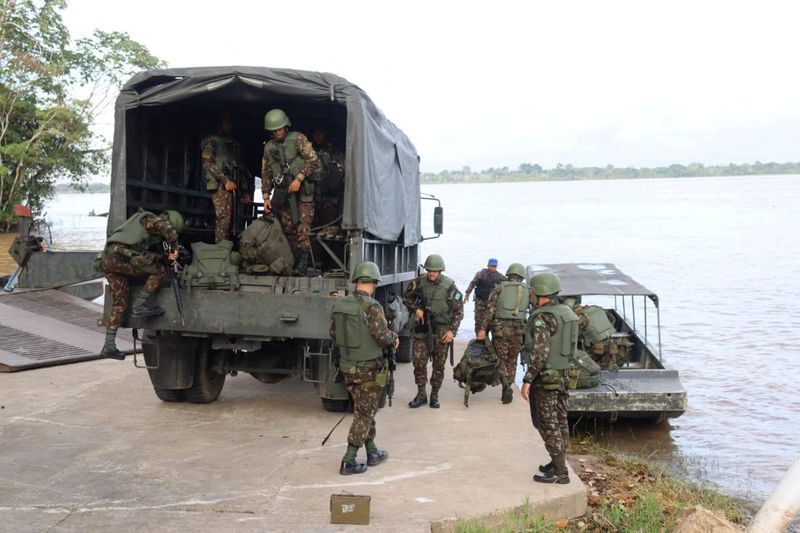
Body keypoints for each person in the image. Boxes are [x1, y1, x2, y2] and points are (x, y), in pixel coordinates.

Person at [330, 261, 399, 475]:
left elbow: (333, 334)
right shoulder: (372, 307)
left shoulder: (340, 305)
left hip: (347, 367)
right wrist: (394, 338)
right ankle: (349, 460)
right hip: (368, 370)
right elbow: (382, 337)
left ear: (357, 281)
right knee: (364, 413)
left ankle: (373, 451)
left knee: (364, 409)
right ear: (374, 283)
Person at [100, 209, 184, 359]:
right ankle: (140, 305)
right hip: (121, 258)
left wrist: (156, 255)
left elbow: (139, 251)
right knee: (159, 270)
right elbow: (165, 227)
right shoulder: (151, 220)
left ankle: (109, 345)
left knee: (120, 303)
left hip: (109, 260)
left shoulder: (135, 224)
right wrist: (175, 247)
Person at [520, 272, 578, 484]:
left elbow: (540, 353)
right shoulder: (567, 312)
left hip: (545, 378)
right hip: (563, 376)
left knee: (547, 423)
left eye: (533, 292)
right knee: (560, 419)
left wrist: (527, 379)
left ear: (539, 293)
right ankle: (557, 461)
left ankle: (560, 473)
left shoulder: (542, 317)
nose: (531, 295)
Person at [261, 109, 319, 275]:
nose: (278, 133)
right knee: (288, 229)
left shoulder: (298, 138)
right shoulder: (269, 147)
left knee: (303, 228)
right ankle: (291, 261)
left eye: (280, 129)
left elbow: (313, 160)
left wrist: (299, 178)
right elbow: (266, 173)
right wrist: (266, 196)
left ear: (286, 127)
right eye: (274, 130)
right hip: (283, 193)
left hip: (303, 194)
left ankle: (302, 263)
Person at [402, 254, 464, 409]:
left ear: (440, 271)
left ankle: (434, 395)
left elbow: (459, 311)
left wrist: (452, 332)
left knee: (438, 366)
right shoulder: (418, 283)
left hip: (442, 332)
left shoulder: (450, 286)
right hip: (422, 331)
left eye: (435, 271)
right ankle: (421, 394)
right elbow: (406, 297)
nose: (431, 273)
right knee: (418, 363)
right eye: (429, 270)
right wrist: (416, 309)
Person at [476, 262, 529, 404]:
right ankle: (509, 385)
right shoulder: (528, 290)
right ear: (521, 276)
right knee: (513, 359)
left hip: (500, 329)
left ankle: (505, 385)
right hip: (519, 330)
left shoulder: (499, 288)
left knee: (500, 358)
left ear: (509, 275)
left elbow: (489, 310)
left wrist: (482, 329)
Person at [201, 114, 250, 243]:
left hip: (234, 186)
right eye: (225, 123)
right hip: (221, 186)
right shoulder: (210, 141)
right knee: (223, 220)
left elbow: (240, 166)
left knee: (232, 221)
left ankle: (227, 249)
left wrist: (245, 190)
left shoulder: (233, 143)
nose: (228, 126)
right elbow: (207, 163)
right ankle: (220, 251)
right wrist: (225, 180)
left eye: (230, 123)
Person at [563, 297, 625, 370]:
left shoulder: (580, 318)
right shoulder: (596, 308)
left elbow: (574, 334)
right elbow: (612, 318)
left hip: (594, 348)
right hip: (609, 342)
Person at [311, 128, 345, 226]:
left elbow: (343, 165)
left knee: (329, 219)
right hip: (313, 191)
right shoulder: (309, 149)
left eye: (320, 133)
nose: (317, 136)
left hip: (328, 192)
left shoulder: (332, 150)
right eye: (315, 134)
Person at [464, 258, 507, 334]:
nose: (493, 268)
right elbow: (472, 283)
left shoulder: (499, 277)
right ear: (488, 266)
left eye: (494, 266)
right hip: (480, 301)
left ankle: (487, 338)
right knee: (478, 321)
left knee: (490, 321)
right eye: (491, 266)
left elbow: (508, 282)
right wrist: (467, 294)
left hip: (491, 303)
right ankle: (479, 339)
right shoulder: (481, 274)